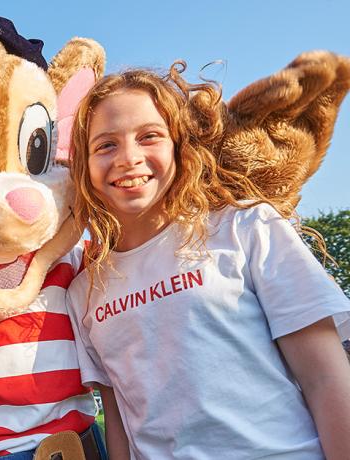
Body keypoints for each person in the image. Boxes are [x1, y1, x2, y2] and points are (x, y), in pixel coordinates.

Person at [66, 63, 350, 459]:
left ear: (180, 146)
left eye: (150, 136)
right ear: (84, 165)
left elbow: (325, 377)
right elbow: (119, 422)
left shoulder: (247, 226)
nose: (128, 157)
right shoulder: (84, 290)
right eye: (105, 145)